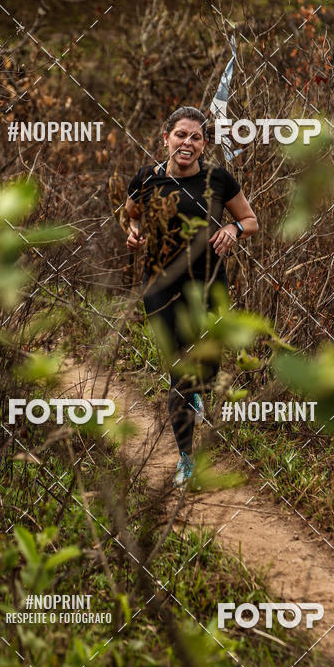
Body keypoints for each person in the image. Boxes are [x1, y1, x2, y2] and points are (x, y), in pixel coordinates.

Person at [124, 106, 258, 487]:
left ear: (203, 145)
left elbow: (251, 220)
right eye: (181, 134)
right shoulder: (146, 179)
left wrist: (233, 228)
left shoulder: (219, 180)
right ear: (165, 138)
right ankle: (186, 458)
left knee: (208, 367)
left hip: (208, 285)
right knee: (180, 370)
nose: (187, 142)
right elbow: (130, 212)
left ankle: (198, 393)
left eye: (196, 137)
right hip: (160, 287)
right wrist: (133, 231)